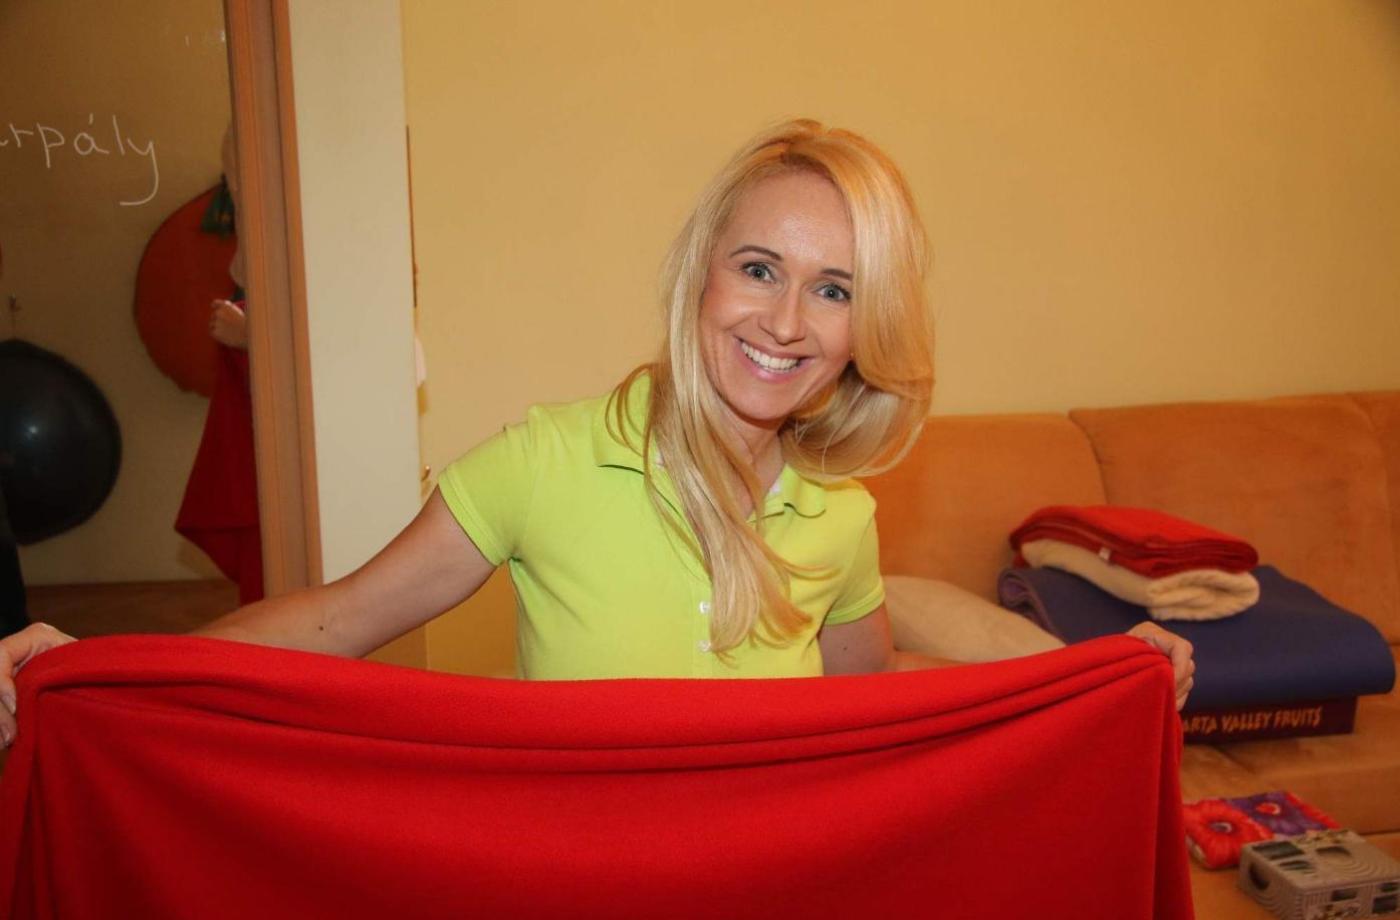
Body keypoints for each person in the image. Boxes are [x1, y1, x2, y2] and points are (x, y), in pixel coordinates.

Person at [0, 120, 1193, 748]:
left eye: (833, 289)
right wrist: (96, 666)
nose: (785, 321)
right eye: (758, 267)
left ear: (864, 326)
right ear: (699, 276)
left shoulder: (839, 514)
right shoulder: (545, 458)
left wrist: (1091, 676)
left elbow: (872, 690)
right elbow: (333, 619)